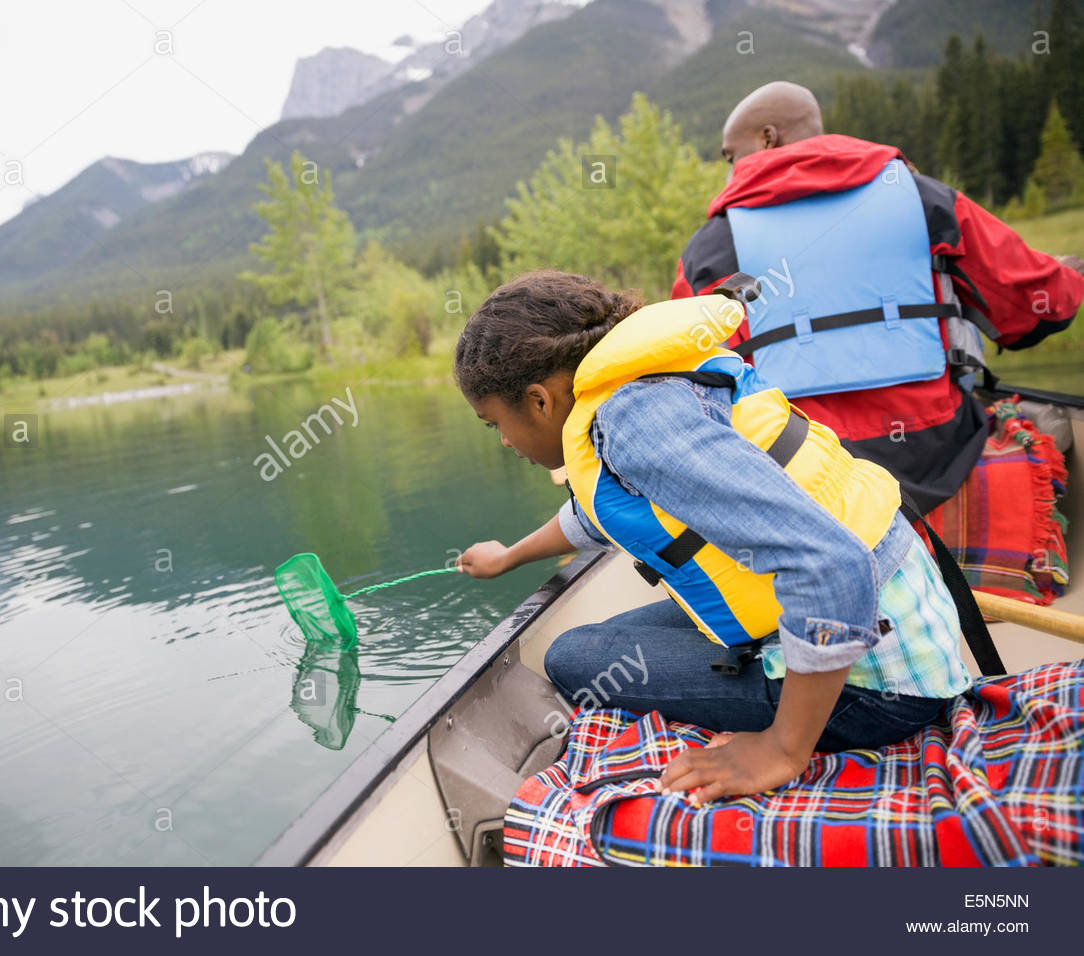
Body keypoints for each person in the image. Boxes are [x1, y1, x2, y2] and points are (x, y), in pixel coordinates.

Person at [455, 271, 971, 803]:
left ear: (539, 401)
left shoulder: (635, 424)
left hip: (880, 687)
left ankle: (799, 722)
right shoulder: (650, 382)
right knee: (604, 643)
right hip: (901, 621)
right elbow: (603, 514)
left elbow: (831, 565)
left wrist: (783, 749)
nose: (505, 443)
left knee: (572, 657)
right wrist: (509, 556)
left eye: (494, 423)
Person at [673, 81, 1084, 513]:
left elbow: (689, 374)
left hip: (805, 465)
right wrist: (1068, 274)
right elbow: (1036, 310)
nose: (730, 168)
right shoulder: (924, 198)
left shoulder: (710, 248)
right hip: (939, 444)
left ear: (767, 138)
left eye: (729, 154)